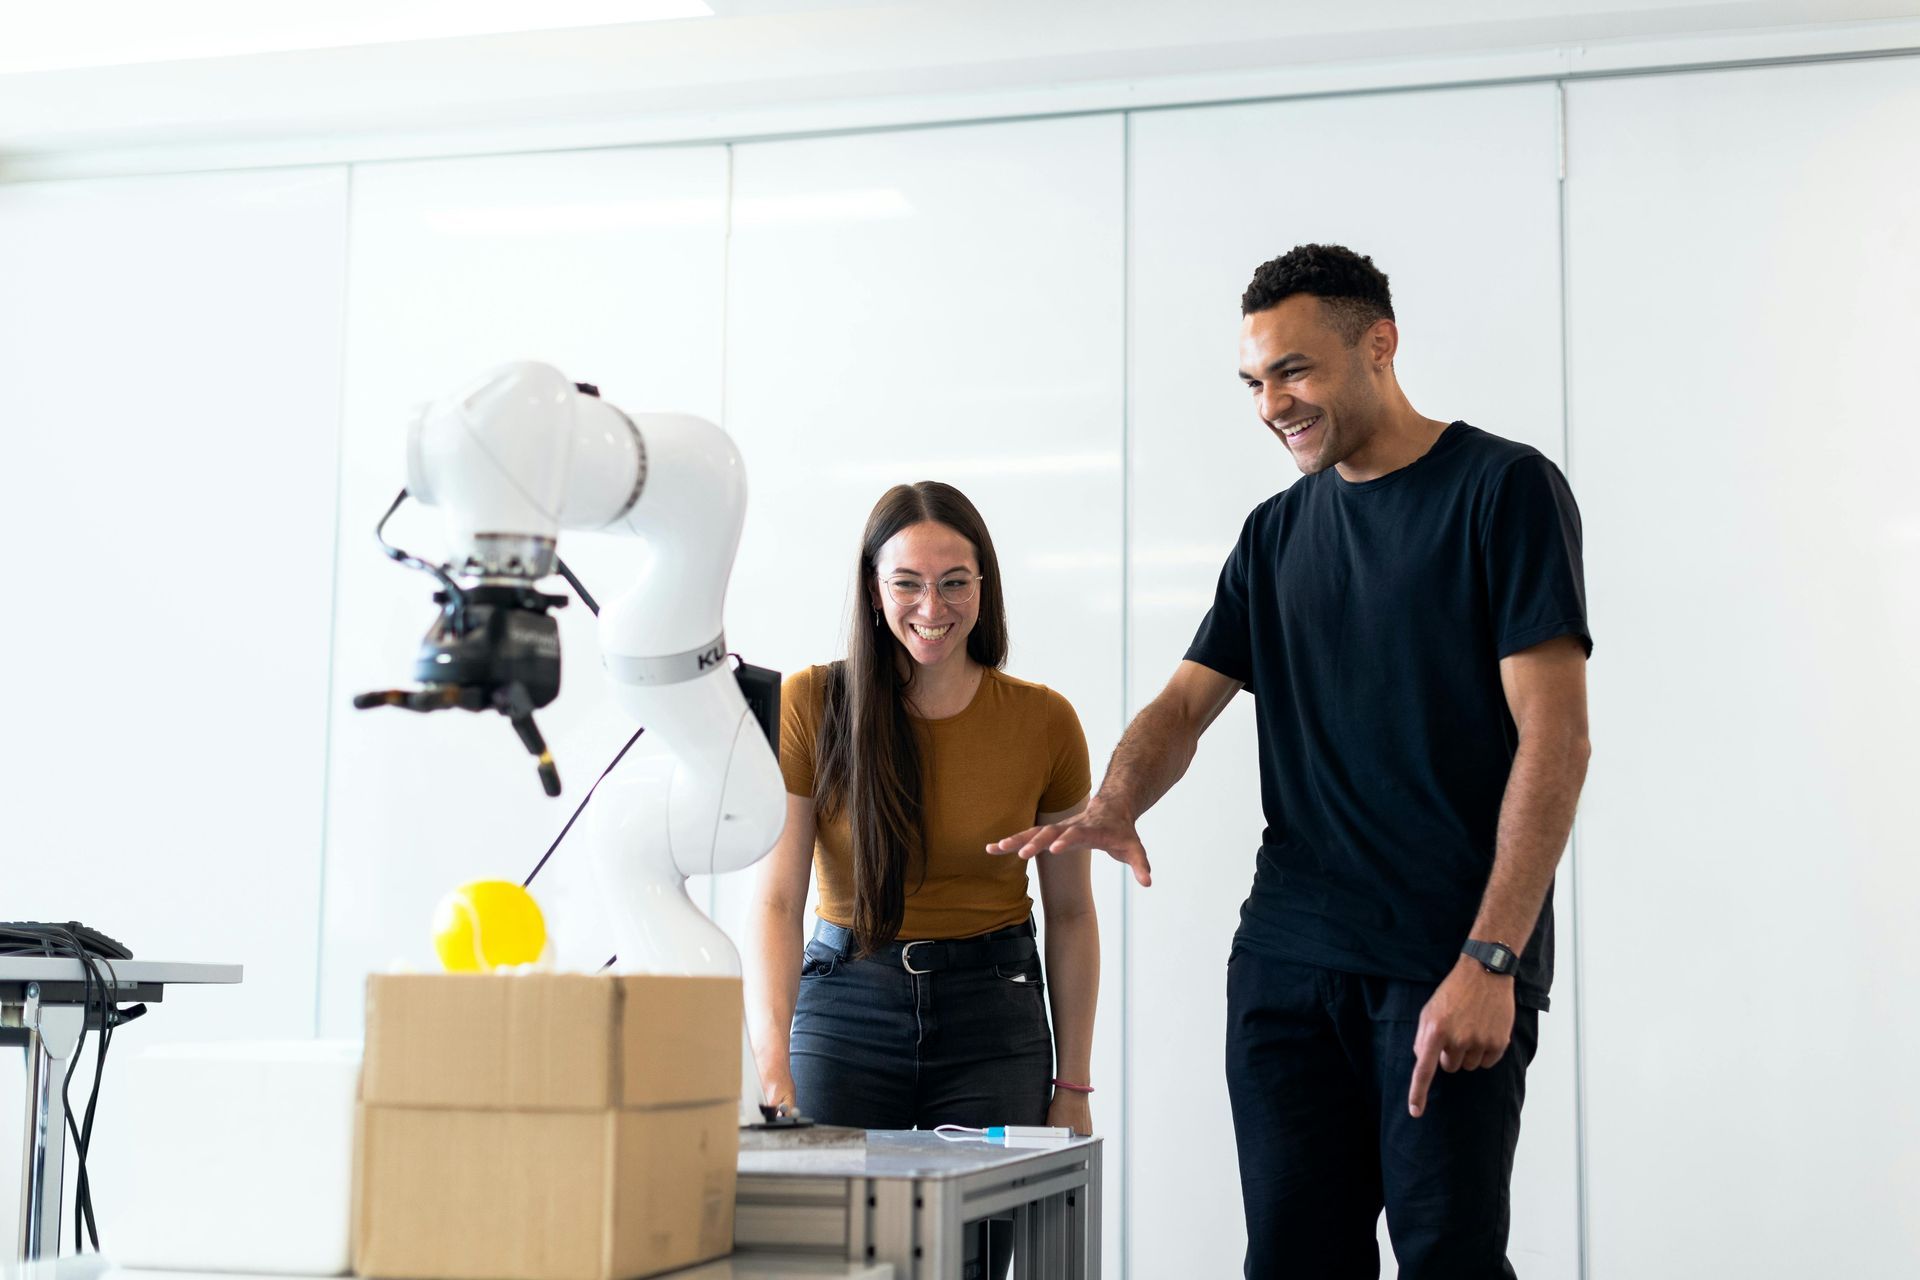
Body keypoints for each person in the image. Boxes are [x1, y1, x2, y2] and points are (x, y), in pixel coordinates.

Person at [993, 244, 1592, 1279]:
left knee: (1448, 1255)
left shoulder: (1503, 490)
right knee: (1291, 1258)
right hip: (1288, 960)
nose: (1273, 401)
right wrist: (1114, 798)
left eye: (1295, 370)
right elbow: (1185, 704)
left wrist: (1493, 956)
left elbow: (1558, 737)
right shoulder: (1274, 535)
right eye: (1256, 380)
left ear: (1380, 345)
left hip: (1444, 959)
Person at [744, 481, 1099, 1270]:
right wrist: (772, 1068)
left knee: (966, 1264)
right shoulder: (813, 702)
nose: (930, 606)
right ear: (874, 592)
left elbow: (1070, 914)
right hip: (846, 1008)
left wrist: (1071, 1084)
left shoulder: (1045, 720)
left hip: (993, 1018)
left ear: (984, 588)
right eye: (906, 582)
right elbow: (776, 899)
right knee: (831, 1262)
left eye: (954, 582)